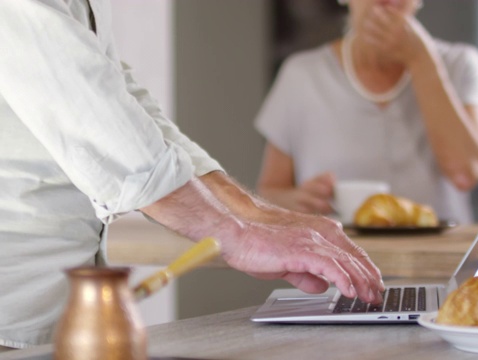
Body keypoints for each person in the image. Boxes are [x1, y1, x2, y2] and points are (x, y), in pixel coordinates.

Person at [0, 0, 384, 349]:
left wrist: (255, 213)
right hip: (13, 313)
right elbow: (93, 117)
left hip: (57, 312)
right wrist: (236, 236)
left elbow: (121, 94)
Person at [255, 0, 478, 224]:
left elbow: (465, 174)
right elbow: (268, 193)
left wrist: (421, 60)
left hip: (438, 264)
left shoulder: (461, 64)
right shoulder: (301, 75)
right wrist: (298, 201)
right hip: (335, 263)